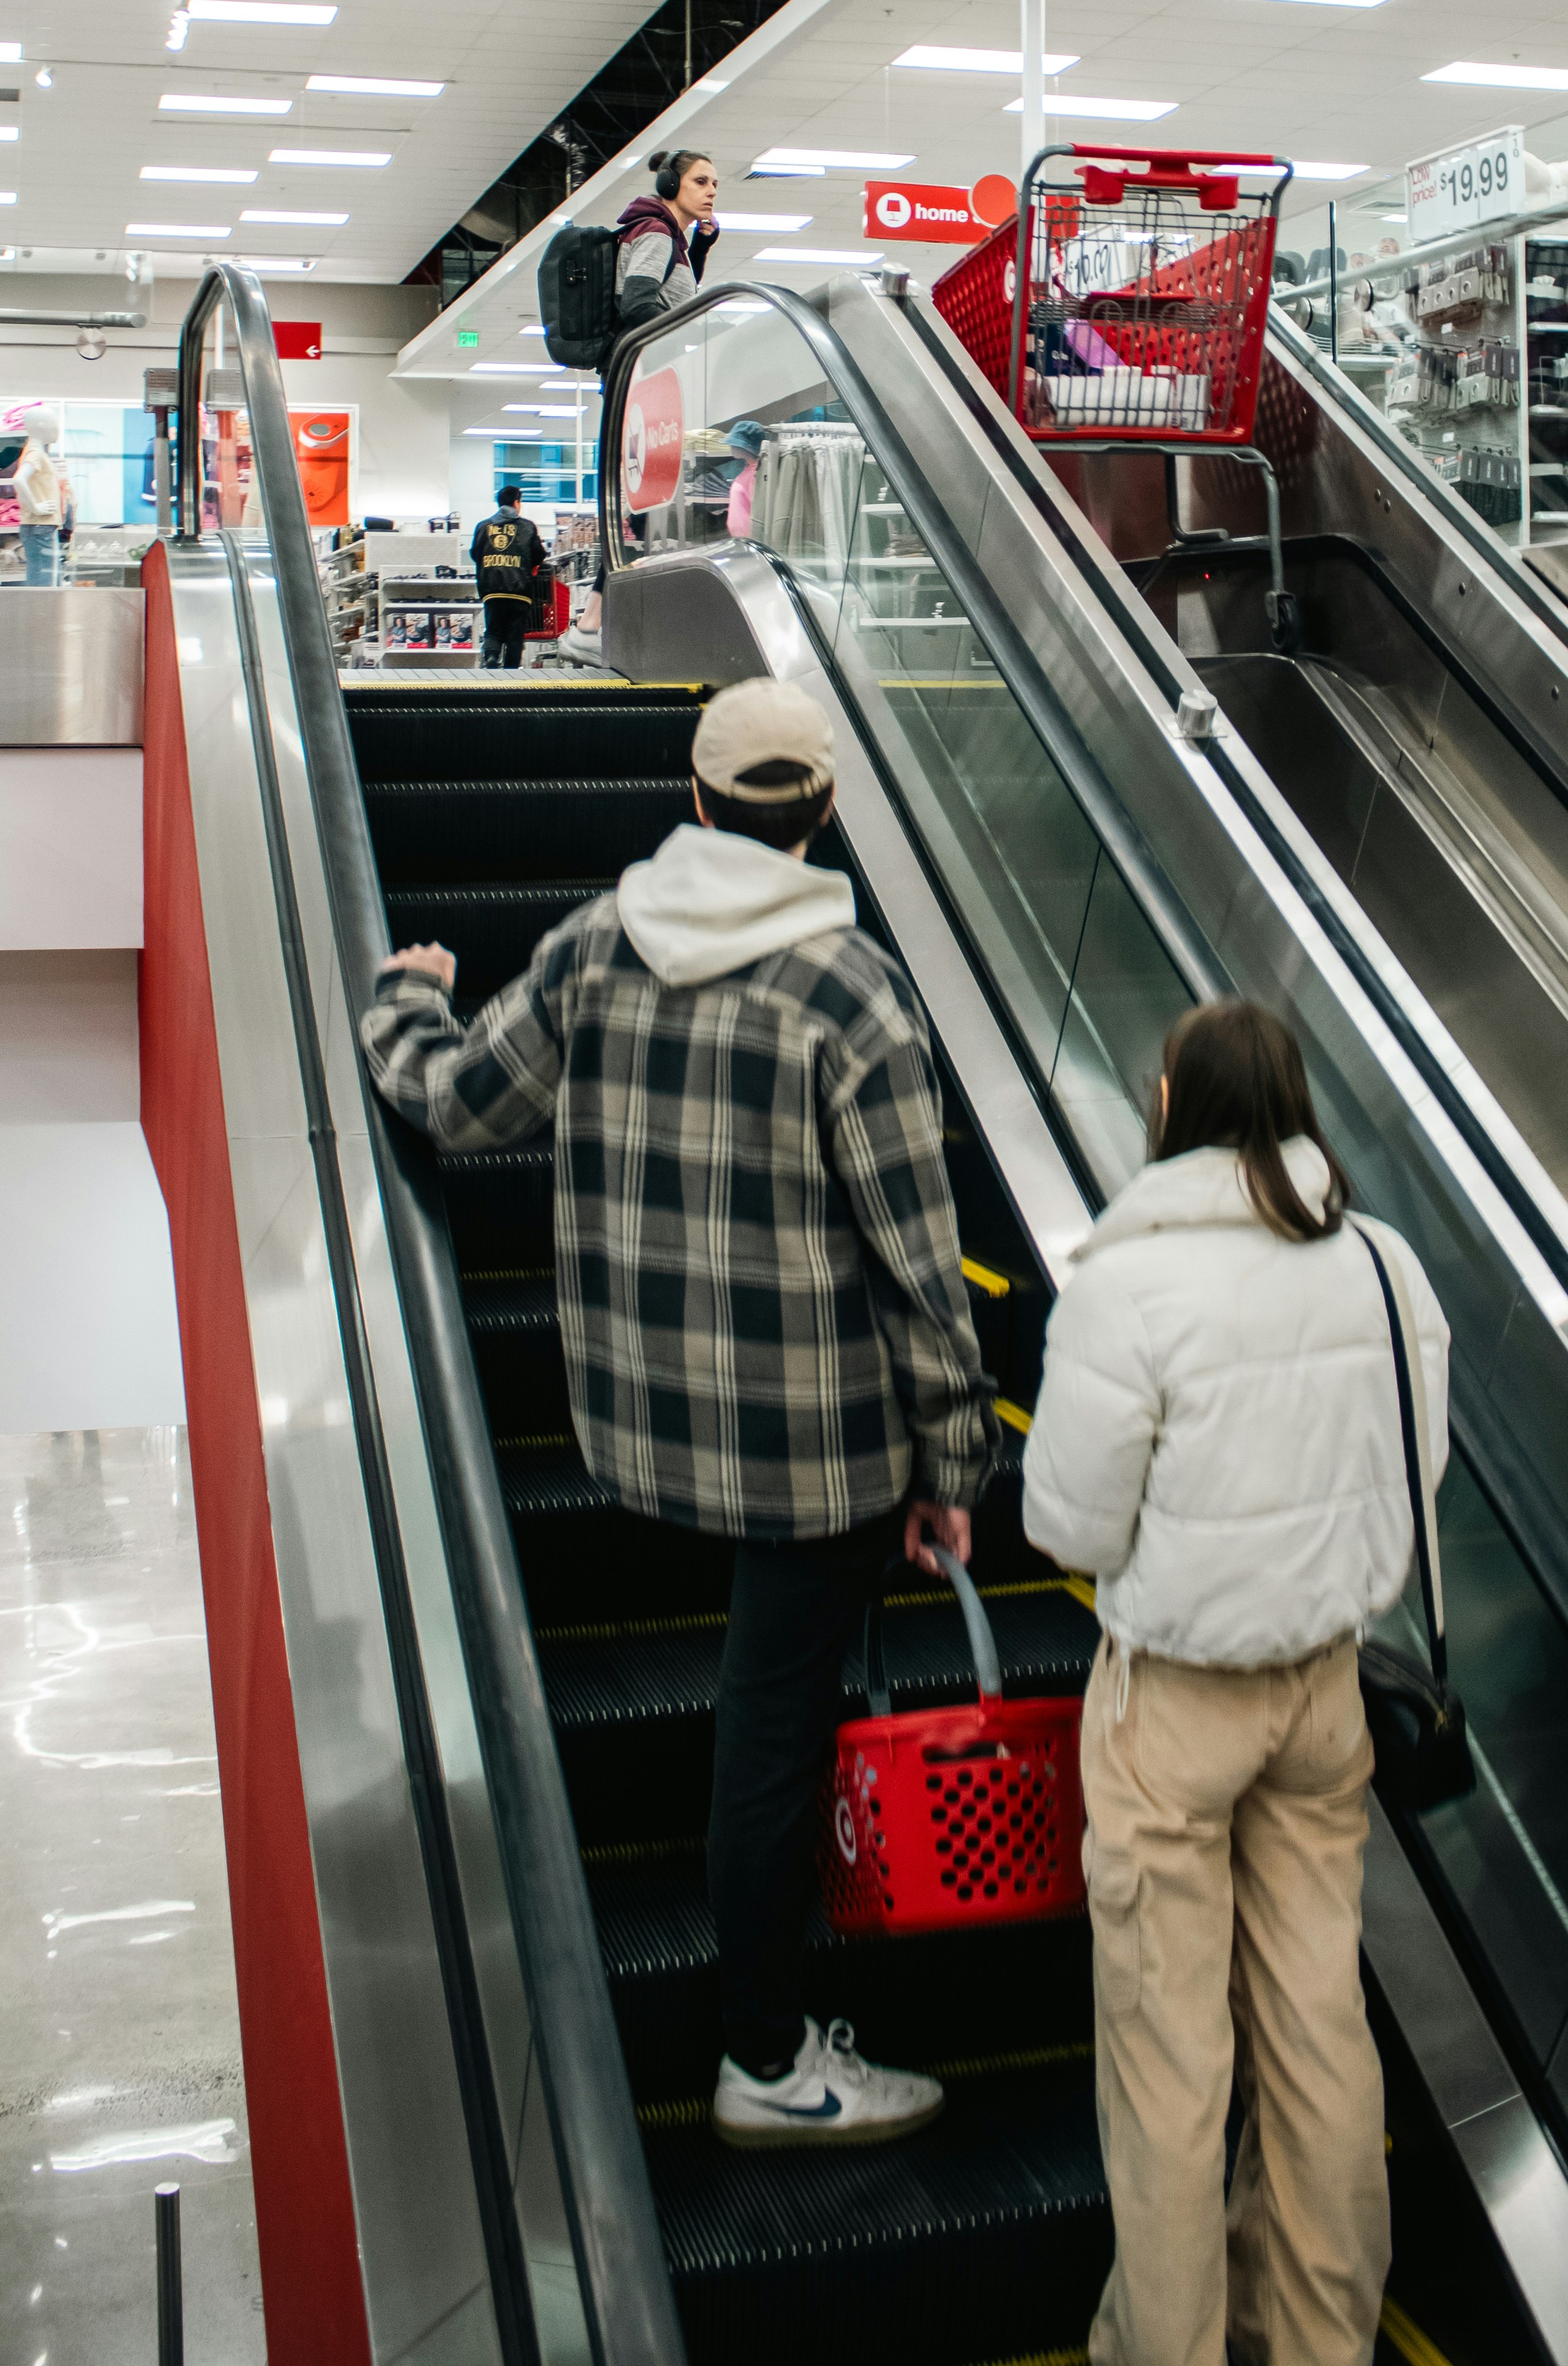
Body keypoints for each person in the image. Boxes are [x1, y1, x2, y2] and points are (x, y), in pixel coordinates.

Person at [359, 676, 998, 2151]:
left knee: (753, 1714)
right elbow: (919, 1267)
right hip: (818, 1460)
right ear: (822, 817)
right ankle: (765, 2057)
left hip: (638, 1434)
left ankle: (751, 2026)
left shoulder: (595, 946)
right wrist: (951, 1465)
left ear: (695, 802)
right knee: (769, 1734)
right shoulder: (855, 996)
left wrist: (406, 994)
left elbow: (455, 1104)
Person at [1022, 999, 1451, 2366]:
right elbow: (1414, 1474)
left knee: (1169, 2060)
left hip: (1177, 1706)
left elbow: (1071, 1529)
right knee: (1319, 2037)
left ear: (1168, 1107)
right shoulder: (1383, 1267)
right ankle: (1318, 2341)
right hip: (1325, 1698)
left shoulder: (1129, 1284)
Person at [613, 146, 719, 328]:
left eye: (714, 184)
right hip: (647, 355)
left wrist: (700, 248)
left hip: (657, 353)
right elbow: (637, 307)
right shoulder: (656, 233)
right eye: (701, 182)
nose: (712, 192)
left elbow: (670, 295)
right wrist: (694, 332)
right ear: (670, 184)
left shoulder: (667, 235)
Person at [469, 478, 548, 670]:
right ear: (516, 503)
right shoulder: (528, 527)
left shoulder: (483, 526)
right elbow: (539, 555)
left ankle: (491, 657)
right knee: (515, 636)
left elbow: (475, 554)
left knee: (494, 631)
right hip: (519, 591)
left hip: (492, 590)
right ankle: (511, 674)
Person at [13, 414, 72, 584]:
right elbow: (18, 479)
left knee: (43, 577)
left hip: (41, 525)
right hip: (39, 525)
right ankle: (41, 611)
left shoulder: (35, 451)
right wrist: (36, 507)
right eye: (54, 424)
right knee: (43, 580)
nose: (58, 430)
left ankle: (41, 610)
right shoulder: (35, 452)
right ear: (40, 425)